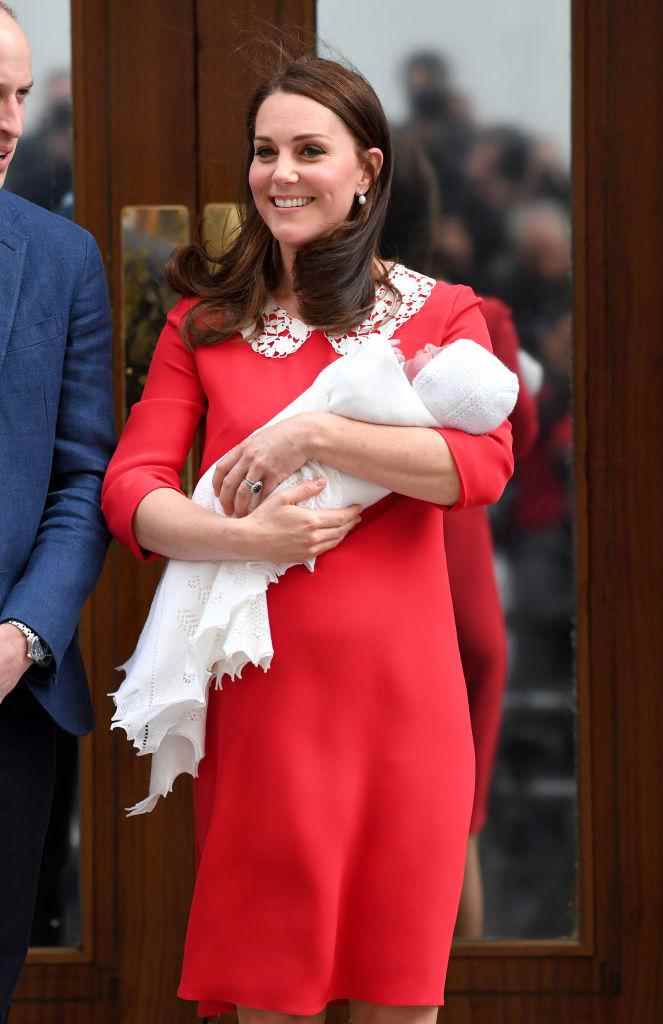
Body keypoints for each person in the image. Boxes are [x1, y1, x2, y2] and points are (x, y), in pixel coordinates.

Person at [102, 53, 513, 1023]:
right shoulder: (204, 325)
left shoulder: (441, 313)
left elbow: (483, 468)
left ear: (367, 169)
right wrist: (242, 540)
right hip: (268, 716)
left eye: (308, 151)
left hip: (407, 718)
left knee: (396, 1003)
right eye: (264, 152)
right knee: (271, 1001)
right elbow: (131, 490)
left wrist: (317, 432)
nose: (280, 173)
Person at [0, 6, 114, 1020]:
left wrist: (26, 632)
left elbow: (86, 478)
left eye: (20, 95)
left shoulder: (61, 258)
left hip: (8, 701)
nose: (8, 121)